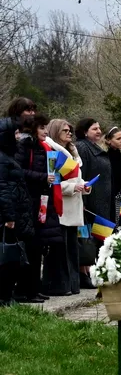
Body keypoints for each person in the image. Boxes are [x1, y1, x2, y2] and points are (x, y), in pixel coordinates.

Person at [15, 114, 58, 302]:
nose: (46, 131)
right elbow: (19, 170)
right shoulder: (25, 146)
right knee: (30, 246)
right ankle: (25, 290)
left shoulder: (41, 147)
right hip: (28, 201)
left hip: (40, 200)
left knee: (38, 246)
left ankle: (34, 287)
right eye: (42, 128)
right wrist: (42, 177)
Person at [46, 119, 87, 296]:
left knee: (72, 249)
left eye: (70, 130)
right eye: (65, 130)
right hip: (61, 207)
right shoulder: (54, 152)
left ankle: (72, 285)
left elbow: (77, 178)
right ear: (56, 131)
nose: (69, 133)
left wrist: (84, 186)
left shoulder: (72, 153)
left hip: (74, 206)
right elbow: (53, 183)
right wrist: (72, 187)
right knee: (60, 251)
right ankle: (60, 286)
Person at [0, 118, 34, 307]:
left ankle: (7, 295)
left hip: (16, 212)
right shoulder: (2, 159)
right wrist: (9, 216)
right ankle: (4, 296)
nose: (19, 136)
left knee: (12, 256)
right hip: (8, 217)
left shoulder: (8, 157)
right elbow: (3, 189)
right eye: (15, 133)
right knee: (8, 256)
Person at [75, 118, 113, 288]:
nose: (99, 131)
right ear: (84, 131)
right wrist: (83, 200)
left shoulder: (95, 147)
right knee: (87, 238)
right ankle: (84, 272)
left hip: (101, 199)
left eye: (99, 128)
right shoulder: (82, 147)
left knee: (98, 237)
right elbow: (81, 175)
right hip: (90, 200)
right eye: (94, 129)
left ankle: (95, 270)